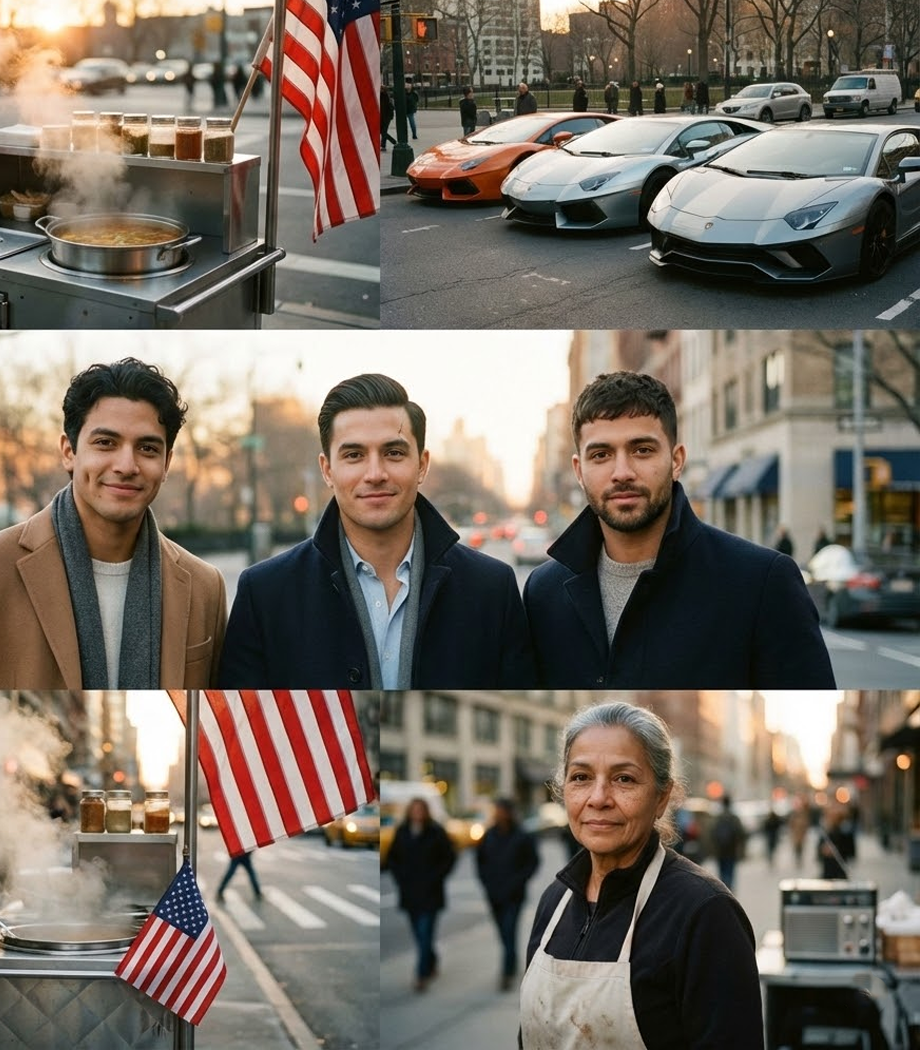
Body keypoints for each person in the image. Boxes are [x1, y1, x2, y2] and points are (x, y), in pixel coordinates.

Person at [0, 358, 227, 690]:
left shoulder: (205, 587)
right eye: (106, 443)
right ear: (69, 451)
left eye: (147, 448)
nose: (126, 465)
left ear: (167, 462)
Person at [218, 373, 535, 689]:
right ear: (327, 470)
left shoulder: (493, 589)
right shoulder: (263, 593)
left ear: (422, 465)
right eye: (354, 455)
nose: (375, 474)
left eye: (393, 453)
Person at [524, 370, 836, 689]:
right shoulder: (543, 591)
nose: (622, 472)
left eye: (642, 450)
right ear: (579, 470)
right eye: (601, 455)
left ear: (676, 460)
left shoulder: (763, 583)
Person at [520, 702, 762, 1049]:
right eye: (581, 777)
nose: (598, 798)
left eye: (624, 779)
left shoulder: (705, 914)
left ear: (662, 798)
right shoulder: (554, 901)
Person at [387, 797, 455, 992]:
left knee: (425, 934)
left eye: (421, 809)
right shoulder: (402, 832)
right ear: (410, 812)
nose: (417, 813)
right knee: (419, 935)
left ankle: (421, 975)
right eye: (414, 809)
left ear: (426, 812)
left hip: (431, 893)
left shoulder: (436, 831)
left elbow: (449, 857)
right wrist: (401, 878)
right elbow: (393, 859)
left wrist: (437, 876)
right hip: (410, 893)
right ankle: (432, 960)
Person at [476, 798, 540, 990]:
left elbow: (533, 862)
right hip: (494, 894)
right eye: (497, 811)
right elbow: (480, 862)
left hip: (514, 894)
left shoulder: (522, 836)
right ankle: (511, 961)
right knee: (503, 933)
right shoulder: (489, 836)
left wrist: (519, 881)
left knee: (509, 931)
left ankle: (506, 972)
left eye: (502, 810)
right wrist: (486, 882)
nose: (499, 814)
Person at [709, 794, 745, 890]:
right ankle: (728, 889)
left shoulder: (718, 817)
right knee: (730, 870)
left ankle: (723, 888)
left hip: (720, 850)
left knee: (722, 870)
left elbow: (712, 833)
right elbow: (741, 833)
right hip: (732, 849)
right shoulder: (734, 817)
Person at [380, 85, 396, 151]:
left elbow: (390, 108)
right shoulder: (383, 96)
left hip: (386, 117)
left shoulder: (386, 97)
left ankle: (384, 145)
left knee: (383, 131)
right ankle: (391, 142)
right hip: (382, 117)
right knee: (382, 131)